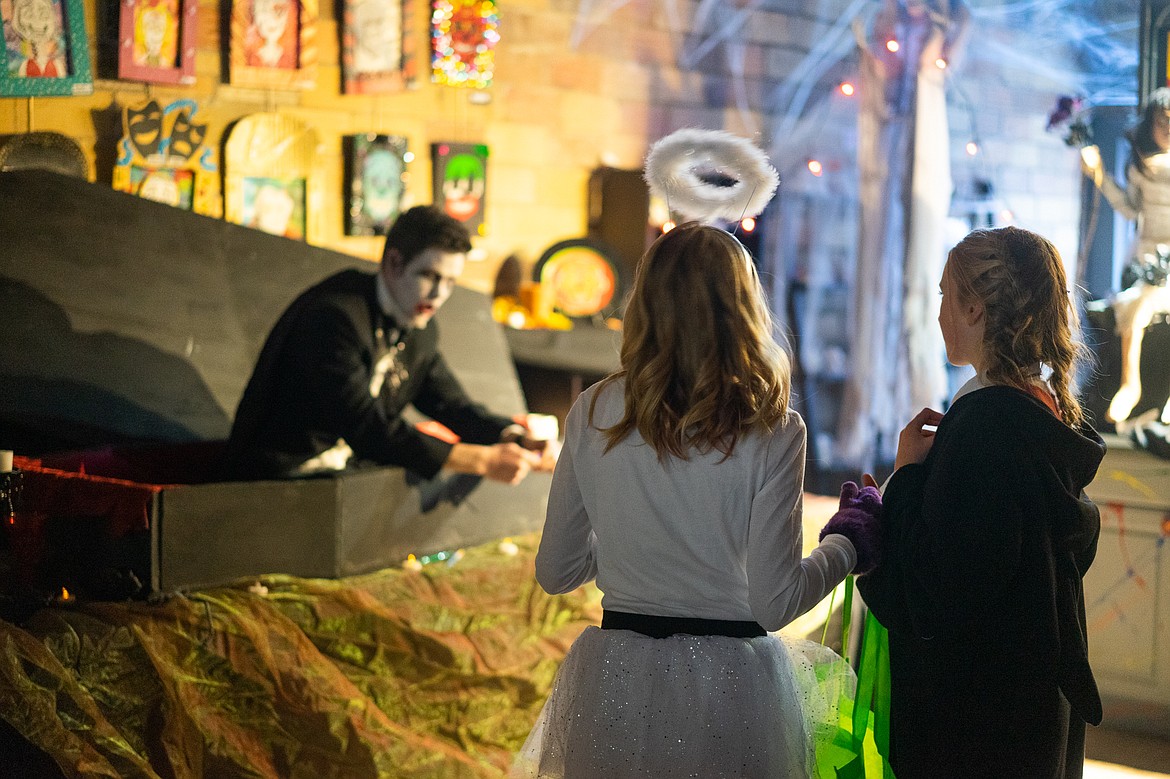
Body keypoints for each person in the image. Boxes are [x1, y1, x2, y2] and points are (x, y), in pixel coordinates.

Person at [513, 223, 877, 777]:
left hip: (617, 680)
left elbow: (556, 570)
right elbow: (775, 603)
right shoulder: (774, 427)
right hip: (733, 689)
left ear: (645, 304)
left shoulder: (591, 410)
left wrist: (628, 534)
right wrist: (847, 542)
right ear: (744, 308)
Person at [856, 226, 1106, 779]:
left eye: (945, 294)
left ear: (974, 307)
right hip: (1029, 710)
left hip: (974, 725)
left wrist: (903, 481)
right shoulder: (1042, 410)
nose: (939, 310)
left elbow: (935, 592)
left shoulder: (985, 428)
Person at [222, 205, 551, 484]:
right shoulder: (334, 316)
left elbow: (449, 404)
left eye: (450, 281)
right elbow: (365, 426)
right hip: (270, 481)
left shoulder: (420, 326)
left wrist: (512, 437)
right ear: (393, 263)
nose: (439, 295)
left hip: (338, 479)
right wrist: (481, 461)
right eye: (430, 276)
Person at [1080, 87, 1170, 424]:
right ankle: (1129, 385)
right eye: (1163, 121)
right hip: (1147, 258)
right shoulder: (1141, 165)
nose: (1169, 128)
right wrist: (1100, 174)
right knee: (1135, 309)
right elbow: (1130, 209)